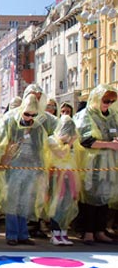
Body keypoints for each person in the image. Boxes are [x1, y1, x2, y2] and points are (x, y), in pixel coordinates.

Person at [0, 93, 49, 246]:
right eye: (27, 114)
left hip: (31, 167)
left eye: (33, 115)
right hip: (13, 167)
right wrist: (3, 162)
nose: (29, 117)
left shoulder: (37, 127)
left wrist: (40, 168)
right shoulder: (11, 123)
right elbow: (4, 143)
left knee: (26, 201)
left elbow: (40, 148)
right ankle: (12, 234)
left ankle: (23, 234)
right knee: (12, 201)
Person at [73, 84, 118, 245]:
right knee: (90, 198)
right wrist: (109, 144)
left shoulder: (112, 115)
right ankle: (87, 231)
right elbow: (86, 141)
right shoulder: (85, 115)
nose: (108, 104)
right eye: (106, 100)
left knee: (104, 197)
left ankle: (100, 230)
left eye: (112, 101)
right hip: (91, 164)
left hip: (109, 164)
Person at [45, 115, 80, 246]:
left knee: (68, 203)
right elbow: (61, 154)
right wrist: (69, 143)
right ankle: (55, 232)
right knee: (56, 204)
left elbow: (75, 158)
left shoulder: (73, 144)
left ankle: (64, 232)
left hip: (70, 176)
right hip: (56, 176)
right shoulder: (51, 140)